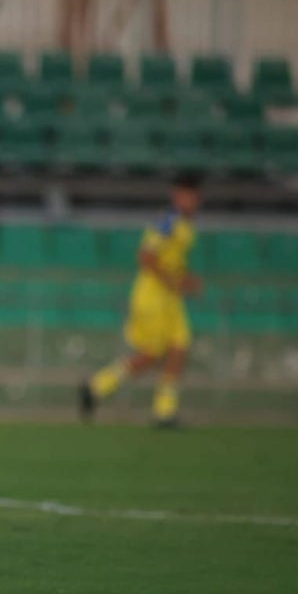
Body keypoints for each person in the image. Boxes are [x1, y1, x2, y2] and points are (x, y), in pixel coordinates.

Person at [79, 173, 204, 428]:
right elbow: (146, 256)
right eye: (184, 194)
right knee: (153, 354)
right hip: (153, 297)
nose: (189, 200)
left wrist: (186, 280)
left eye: (193, 196)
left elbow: (172, 262)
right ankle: (98, 387)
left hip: (170, 298)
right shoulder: (168, 221)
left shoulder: (185, 225)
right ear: (176, 195)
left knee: (179, 346)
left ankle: (163, 410)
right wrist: (175, 282)